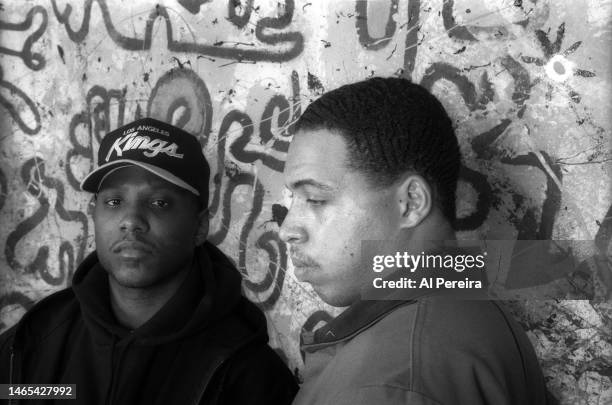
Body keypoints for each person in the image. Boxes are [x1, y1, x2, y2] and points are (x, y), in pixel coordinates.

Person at [280, 77, 549, 405]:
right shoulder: (468, 313)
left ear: (410, 202)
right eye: (293, 199)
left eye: (316, 199)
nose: (288, 229)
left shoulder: (391, 382)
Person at [0, 117, 298, 404]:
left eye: (159, 203)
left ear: (199, 227)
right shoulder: (41, 336)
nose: (131, 220)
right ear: (95, 214)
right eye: (114, 202)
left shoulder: (246, 375)